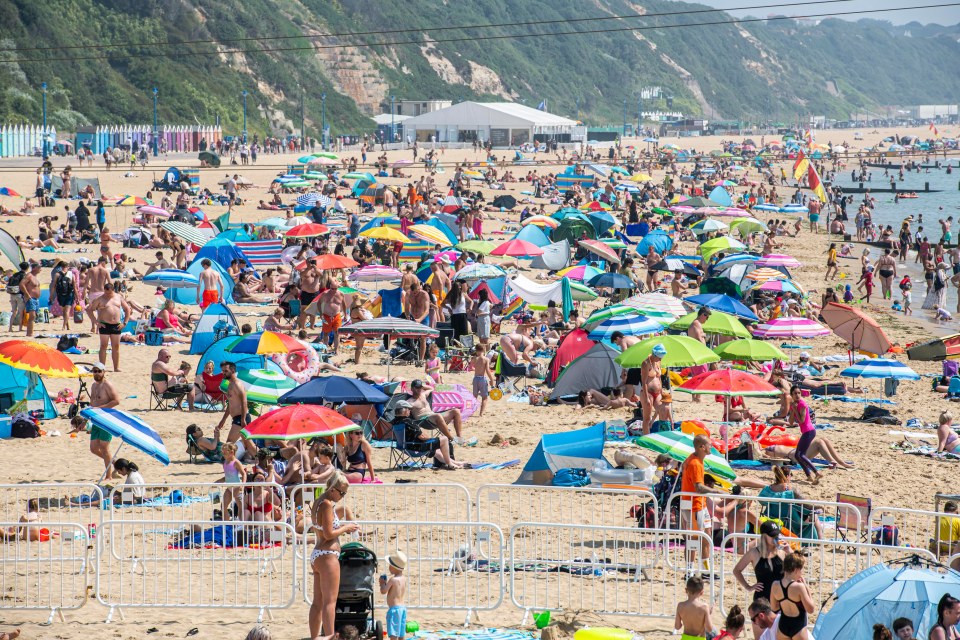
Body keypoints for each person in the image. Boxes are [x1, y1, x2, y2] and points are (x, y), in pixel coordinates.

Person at [308, 471, 360, 640]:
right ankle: (329, 637)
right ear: (332, 489)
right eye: (342, 492)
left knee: (317, 602)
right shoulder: (327, 504)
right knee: (330, 603)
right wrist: (347, 528)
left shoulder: (318, 502)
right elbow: (330, 534)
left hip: (317, 554)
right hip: (328, 554)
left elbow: (324, 527)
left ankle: (314, 637)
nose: (342, 496)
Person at [393, 400, 464, 469]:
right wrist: (429, 438)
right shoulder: (408, 421)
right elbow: (422, 436)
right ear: (404, 410)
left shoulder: (394, 422)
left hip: (403, 448)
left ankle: (455, 462)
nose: (410, 411)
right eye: (408, 409)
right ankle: (450, 464)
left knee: (437, 451)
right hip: (415, 448)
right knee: (444, 439)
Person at [733, 520, 786, 604]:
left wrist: (789, 550)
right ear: (764, 536)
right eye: (772, 536)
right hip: (762, 598)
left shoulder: (782, 552)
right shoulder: (754, 553)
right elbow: (736, 570)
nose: (775, 537)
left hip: (781, 597)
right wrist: (748, 587)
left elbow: (798, 565)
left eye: (777, 535)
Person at [681, 434, 712, 572]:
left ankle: (705, 569)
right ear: (702, 447)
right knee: (693, 539)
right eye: (709, 445)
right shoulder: (694, 463)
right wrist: (716, 491)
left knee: (706, 536)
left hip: (700, 505)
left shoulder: (696, 460)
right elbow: (698, 487)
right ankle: (689, 570)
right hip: (693, 506)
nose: (711, 447)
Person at [87, 282, 131, 372]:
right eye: (106, 292)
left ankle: (116, 367)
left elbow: (127, 309)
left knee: (116, 346)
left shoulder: (118, 297)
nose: (107, 295)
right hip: (104, 324)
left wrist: (125, 323)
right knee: (103, 346)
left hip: (116, 325)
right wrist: (96, 322)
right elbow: (89, 310)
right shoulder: (100, 299)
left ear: (113, 290)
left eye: (109, 293)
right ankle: (102, 367)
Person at [769, 551, 814, 640]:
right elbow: (811, 609)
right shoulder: (799, 587)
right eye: (801, 570)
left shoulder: (775, 585)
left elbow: (774, 608)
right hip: (798, 627)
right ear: (796, 569)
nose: (801, 573)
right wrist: (807, 588)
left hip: (783, 626)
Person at [88, 365, 120, 478]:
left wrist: (101, 408)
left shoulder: (107, 385)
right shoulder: (93, 385)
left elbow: (116, 401)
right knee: (93, 448)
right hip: (96, 419)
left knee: (104, 448)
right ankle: (115, 462)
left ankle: (109, 476)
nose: (96, 373)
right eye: (94, 371)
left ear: (104, 372)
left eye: (99, 371)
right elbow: (93, 402)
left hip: (106, 419)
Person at [787, 385, 820, 484]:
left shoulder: (802, 404)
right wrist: (792, 410)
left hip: (809, 431)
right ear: (791, 395)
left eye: (799, 393)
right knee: (798, 455)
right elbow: (791, 422)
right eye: (795, 393)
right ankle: (809, 476)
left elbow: (801, 420)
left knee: (800, 454)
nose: (797, 395)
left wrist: (795, 410)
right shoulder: (795, 405)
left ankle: (816, 472)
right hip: (806, 431)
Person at [674, 575, 715, 640]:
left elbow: (677, 627)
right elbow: (709, 629)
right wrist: (709, 615)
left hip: (685, 638)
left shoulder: (680, 606)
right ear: (702, 593)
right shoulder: (704, 607)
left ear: (686, 590)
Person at [380, 550, 408, 640]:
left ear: (394, 567)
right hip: (403, 608)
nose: (389, 567)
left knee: (393, 634)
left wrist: (382, 583)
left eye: (390, 565)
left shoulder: (393, 580)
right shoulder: (404, 578)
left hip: (394, 610)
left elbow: (384, 591)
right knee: (401, 633)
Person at [640, 343, 667, 434]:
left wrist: (662, 391)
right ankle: (646, 437)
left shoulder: (658, 362)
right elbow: (643, 381)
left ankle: (662, 435)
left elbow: (659, 378)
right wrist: (646, 397)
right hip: (648, 392)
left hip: (658, 392)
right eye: (659, 357)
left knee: (663, 411)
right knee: (647, 418)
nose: (660, 359)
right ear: (654, 354)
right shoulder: (645, 363)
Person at [471, 344, 495, 417]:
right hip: (482, 379)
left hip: (475, 379)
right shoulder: (486, 359)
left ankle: (471, 411)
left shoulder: (473, 358)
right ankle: (481, 413)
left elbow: (472, 367)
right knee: (484, 397)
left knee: (474, 396)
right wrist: (491, 380)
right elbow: (487, 371)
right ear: (484, 350)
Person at [19, 262, 41, 338]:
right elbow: (21, 284)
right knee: (32, 316)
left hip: (36, 299)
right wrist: (27, 295)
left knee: (34, 317)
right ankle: (29, 334)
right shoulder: (29, 276)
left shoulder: (35, 276)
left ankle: (30, 332)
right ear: (35, 268)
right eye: (39, 268)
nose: (40, 270)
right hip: (31, 298)